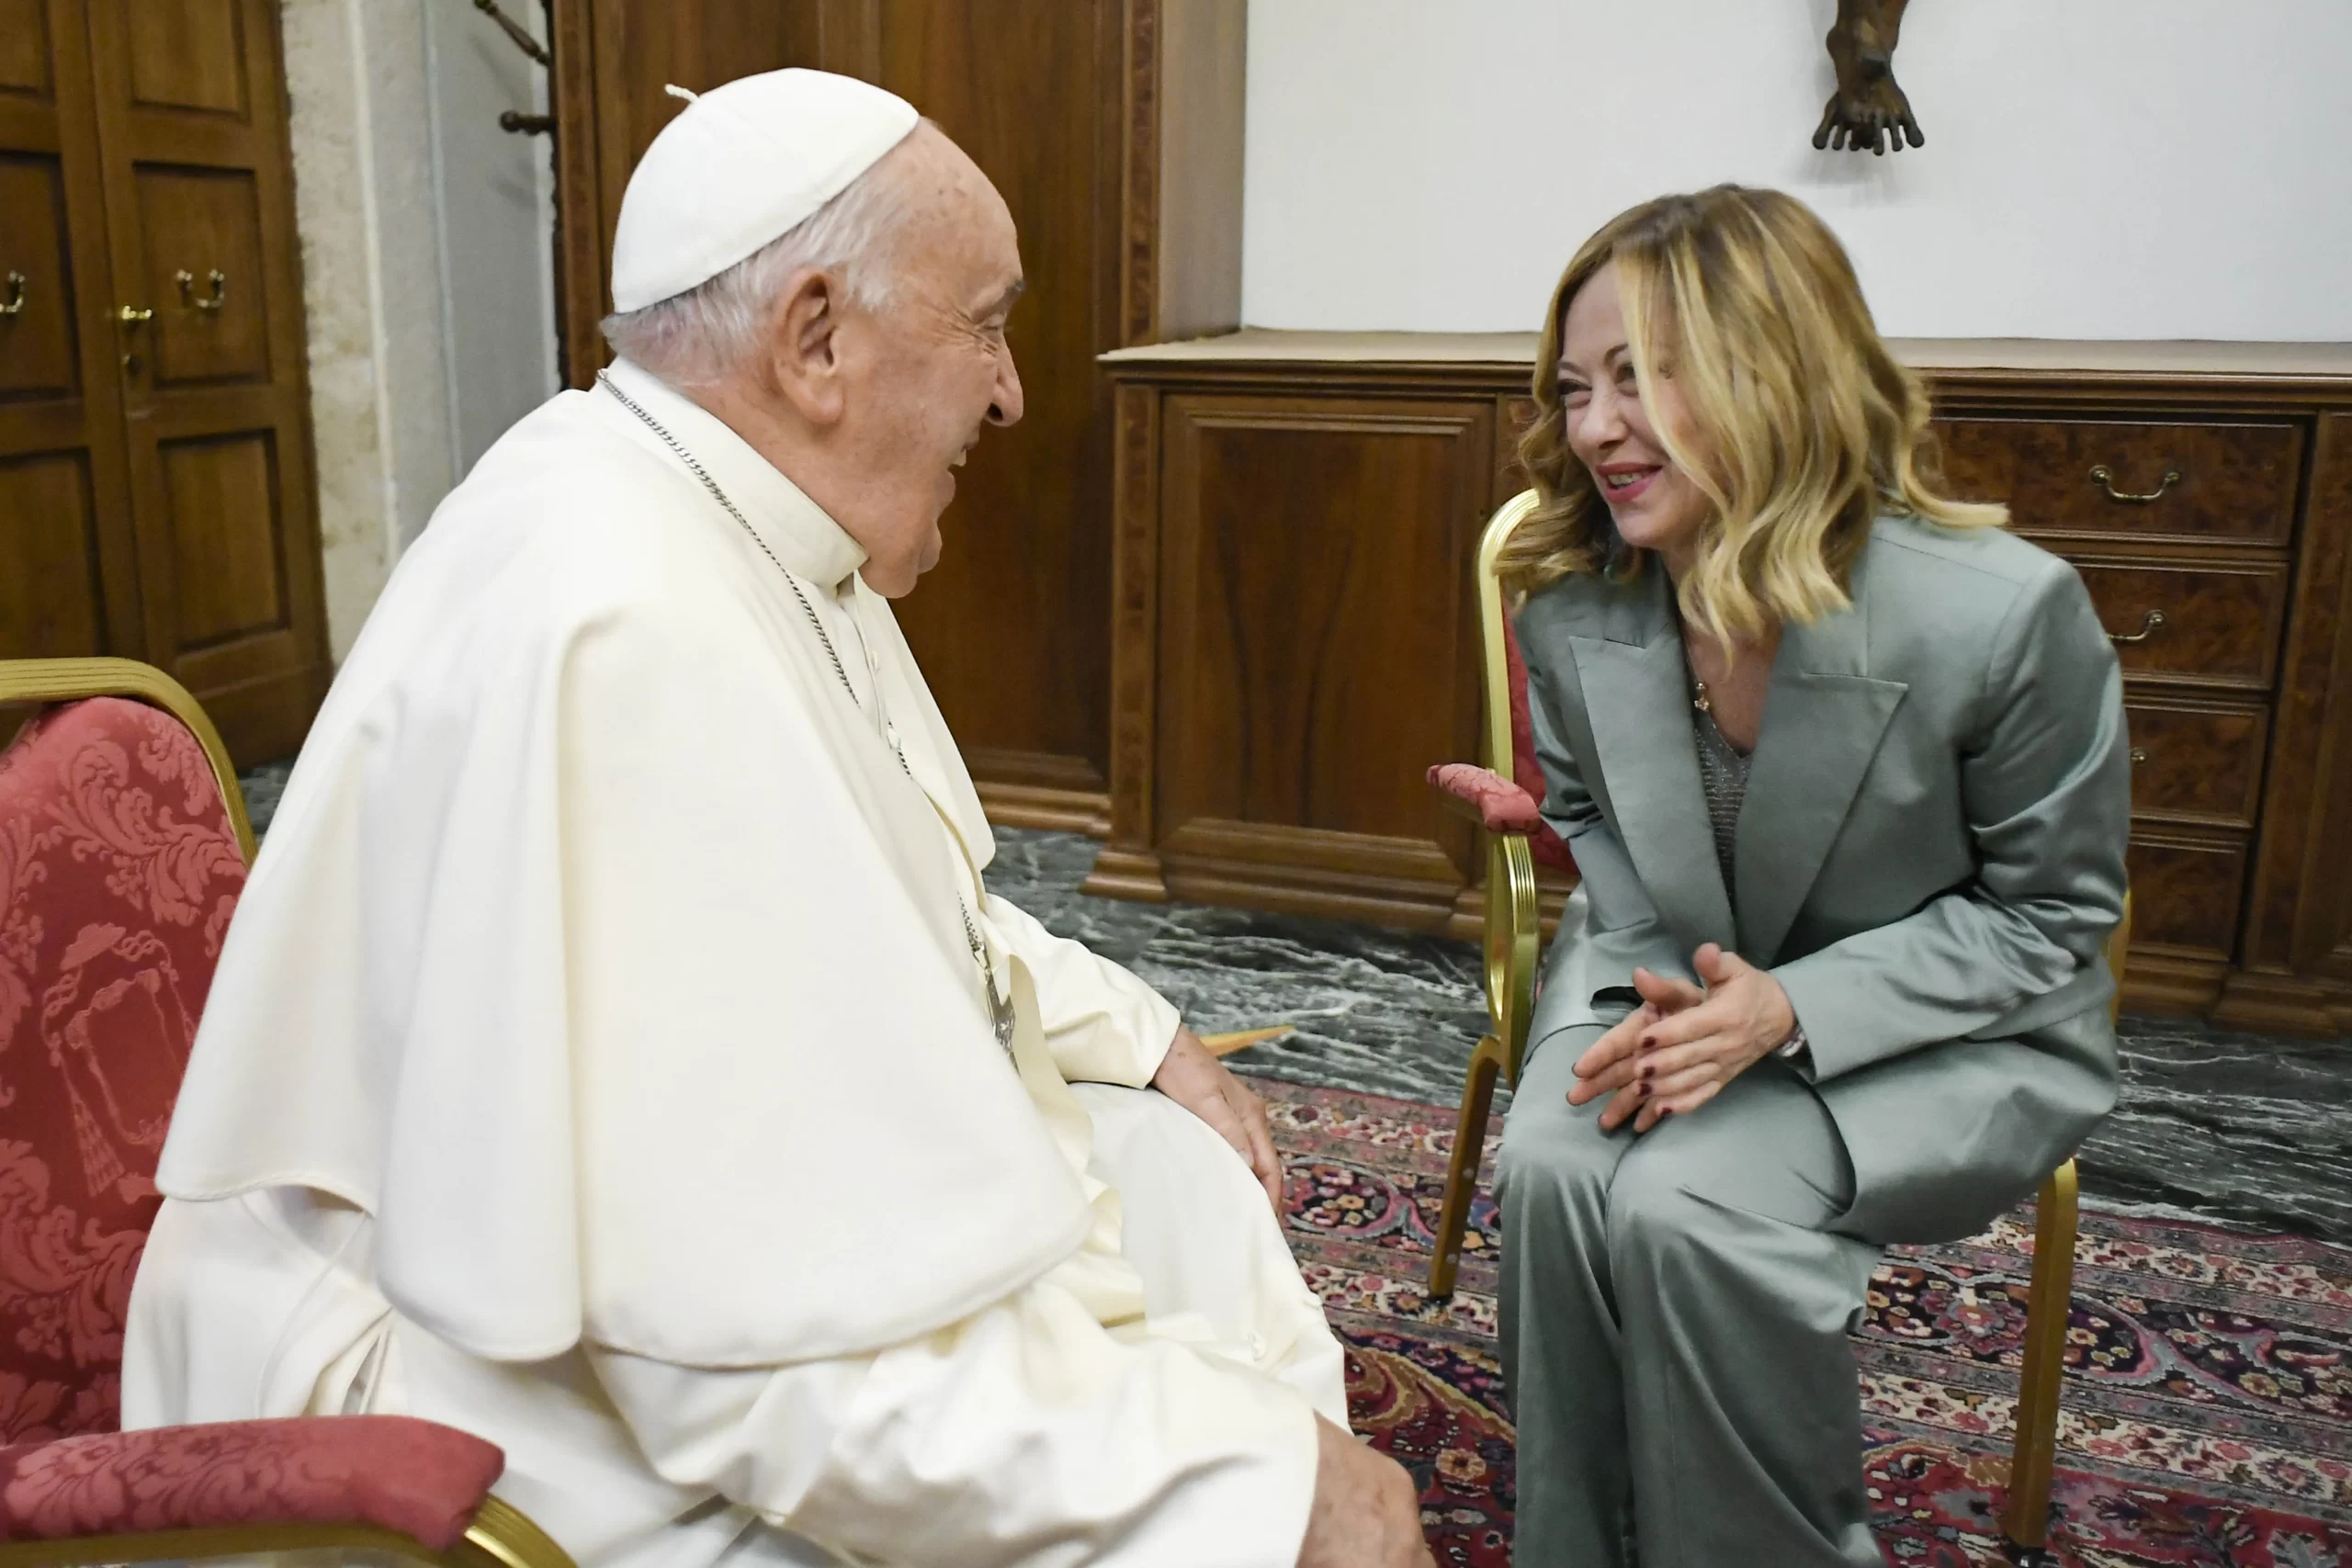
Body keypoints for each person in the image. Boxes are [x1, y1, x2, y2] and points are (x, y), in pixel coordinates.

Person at [123, 69, 1431, 1568]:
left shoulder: (723, 510)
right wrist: (1247, 1498)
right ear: (816, 339)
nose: (1010, 390)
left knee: (1180, 1187)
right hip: (443, 1381)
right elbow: (764, 1364)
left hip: (638, 1298)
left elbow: (870, 886)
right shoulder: (623, 618)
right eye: (986, 321)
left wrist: (1135, 1025)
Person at [1493, 186, 2130, 1568]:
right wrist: (1658, 983)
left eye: (1646, 376)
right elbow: (1593, 814)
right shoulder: (1575, 607)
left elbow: (2056, 919)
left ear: (1774, 369)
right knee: (1548, 1163)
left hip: (1949, 1027)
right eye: (1577, 388)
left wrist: (1786, 1009)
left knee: (1683, 1204)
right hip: (1673, 970)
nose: (1597, 427)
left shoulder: (2003, 615)